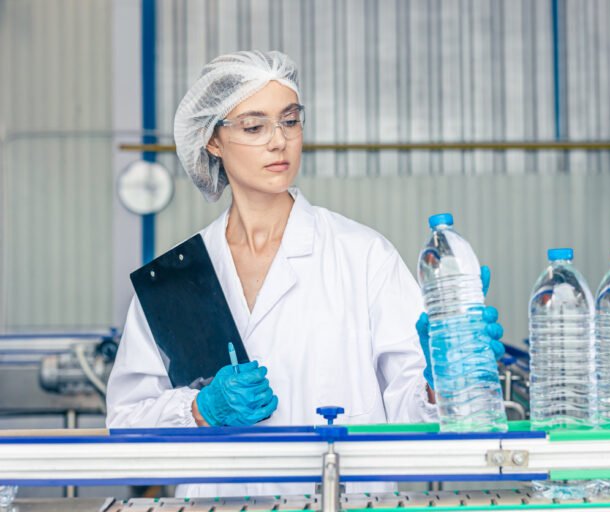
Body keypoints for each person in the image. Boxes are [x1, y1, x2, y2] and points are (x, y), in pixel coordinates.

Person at [106, 50, 506, 498]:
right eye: (255, 126)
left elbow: (413, 412)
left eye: (290, 121)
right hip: (217, 504)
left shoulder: (363, 256)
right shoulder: (177, 280)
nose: (279, 141)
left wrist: (440, 382)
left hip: (346, 502)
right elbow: (126, 422)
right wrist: (200, 409)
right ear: (212, 140)